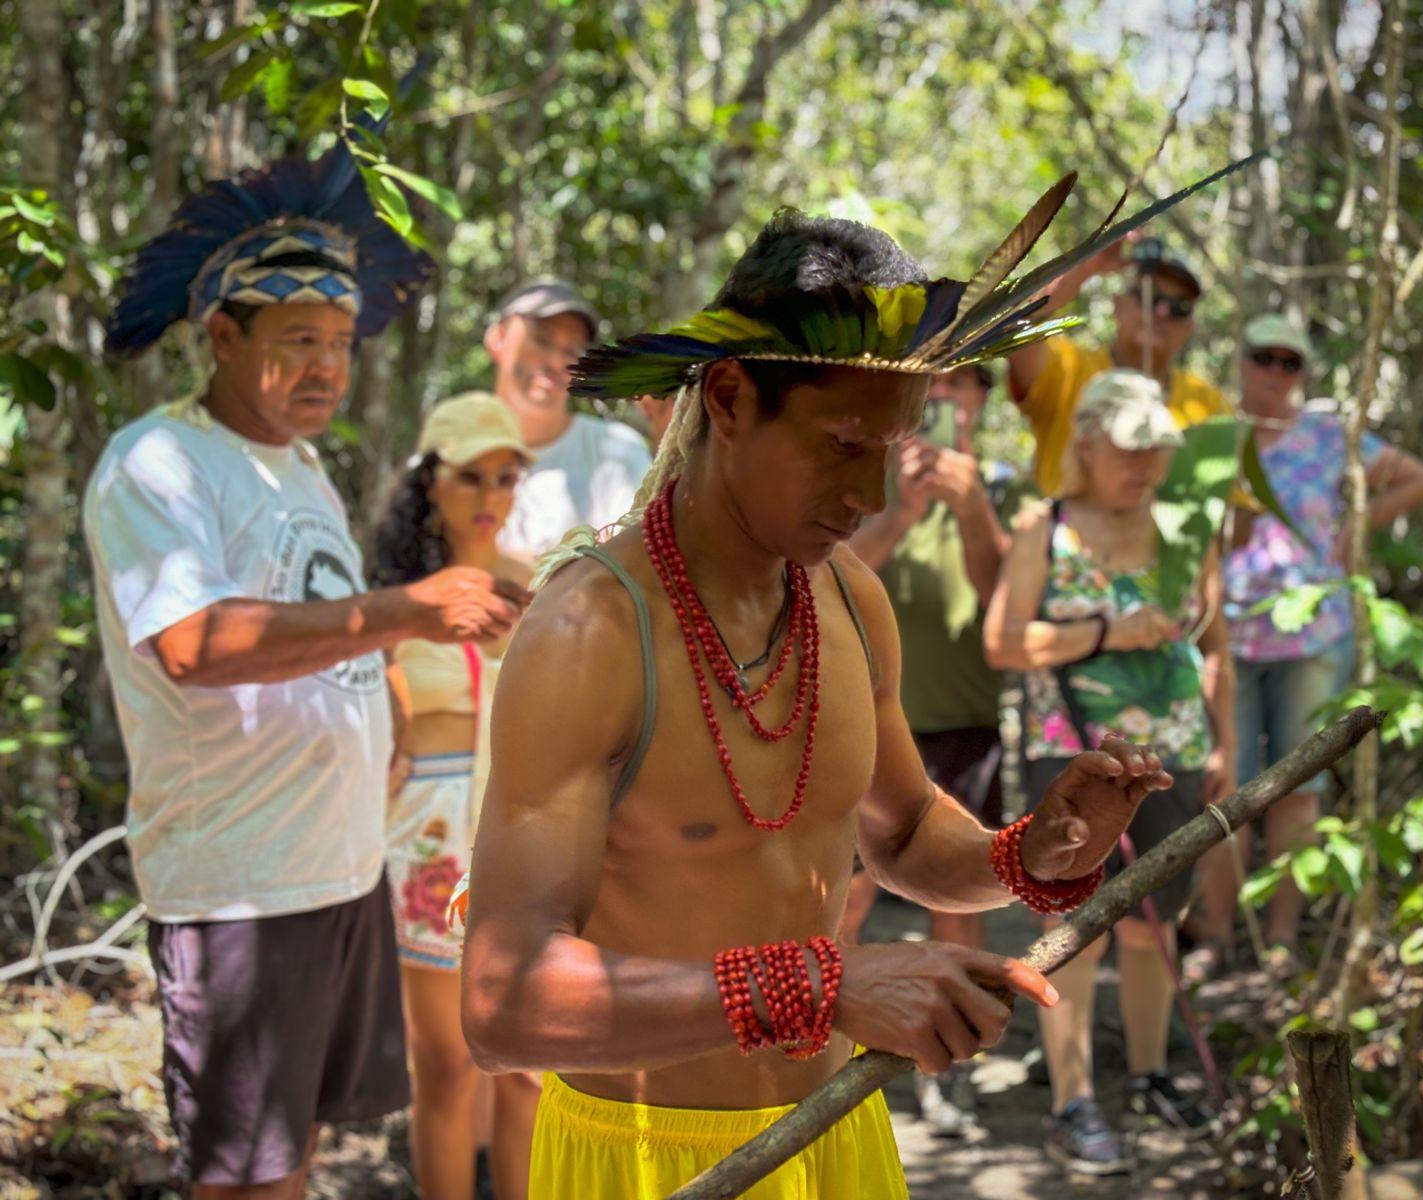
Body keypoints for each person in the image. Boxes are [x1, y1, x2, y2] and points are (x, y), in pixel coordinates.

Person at [459, 197, 1178, 1198]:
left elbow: (906, 831)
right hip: (642, 1164)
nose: (873, 495)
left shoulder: (847, 598)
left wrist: (1032, 852)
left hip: (833, 1135)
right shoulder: (593, 632)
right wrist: (821, 986)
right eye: (843, 446)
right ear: (728, 399)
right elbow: (504, 1006)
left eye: (891, 448)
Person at [86, 153, 529, 1199]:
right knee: (245, 1173)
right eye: (297, 342)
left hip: (341, 870)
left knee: (297, 1156)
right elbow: (192, 644)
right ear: (222, 337)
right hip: (242, 887)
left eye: (337, 343)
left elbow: (331, 641)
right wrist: (407, 610)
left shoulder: (304, 470)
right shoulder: (157, 464)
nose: (327, 367)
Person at [986, 369, 1235, 1176]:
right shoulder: (1045, 526)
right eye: (1130, 448)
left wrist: (1224, 744)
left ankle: (1152, 1072)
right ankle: (1073, 1101)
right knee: (1074, 928)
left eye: (1155, 448)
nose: (1145, 465)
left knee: (1153, 922)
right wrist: (1105, 633)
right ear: (1085, 444)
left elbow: (1215, 645)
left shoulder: (1185, 526)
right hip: (1078, 756)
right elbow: (1004, 640)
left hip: (1175, 755)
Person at [1189, 315, 1423, 968]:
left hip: (1316, 636)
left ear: (1303, 373)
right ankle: (1214, 935)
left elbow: (1421, 478)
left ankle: (1280, 939)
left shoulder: (1330, 438)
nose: (1274, 373)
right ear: (1241, 361)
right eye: (1262, 358)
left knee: (1298, 791)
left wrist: (1355, 528)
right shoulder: (1211, 434)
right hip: (1226, 636)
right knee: (1227, 789)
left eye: (1288, 363)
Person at [841, 361, 1022, 1137]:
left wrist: (973, 505)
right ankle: (820, 1049)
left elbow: (1005, 598)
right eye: (933, 389)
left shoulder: (1003, 488)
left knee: (961, 896)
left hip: (964, 721)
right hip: (865, 729)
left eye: (962, 388)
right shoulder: (862, 477)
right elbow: (835, 579)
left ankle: (954, 1071)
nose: (946, 401)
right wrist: (903, 511)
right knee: (844, 896)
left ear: (982, 401)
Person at [371, 392, 540, 1200]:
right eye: (472, 478)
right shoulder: (388, 594)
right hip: (428, 840)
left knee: (530, 1072)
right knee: (444, 1068)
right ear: (429, 482)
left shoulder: (542, 583)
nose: (492, 498)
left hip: (522, 833)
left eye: (507, 477)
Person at [1004, 235, 1227, 496]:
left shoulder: (1209, 406)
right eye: (1150, 297)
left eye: (1179, 307)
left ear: (1190, 328)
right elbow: (1015, 327)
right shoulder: (1068, 367)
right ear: (1117, 304)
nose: (1162, 313)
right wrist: (1084, 266)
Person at [484, 277, 653, 556]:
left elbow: (635, 571)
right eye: (541, 340)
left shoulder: (618, 454)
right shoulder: (450, 451)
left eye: (572, 351)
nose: (556, 362)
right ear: (498, 338)